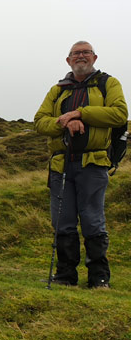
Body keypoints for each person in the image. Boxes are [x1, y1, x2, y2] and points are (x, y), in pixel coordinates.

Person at [34, 41, 128, 289]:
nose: (81, 56)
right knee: (62, 221)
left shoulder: (109, 83)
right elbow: (39, 122)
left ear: (94, 57)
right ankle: (66, 276)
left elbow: (119, 114)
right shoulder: (58, 90)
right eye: (76, 53)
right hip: (61, 165)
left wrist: (80, 114)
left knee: (92, 220)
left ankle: (99, 278)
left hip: (93, 164)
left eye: (86, 52)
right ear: (68, 61)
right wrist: (64, 122)